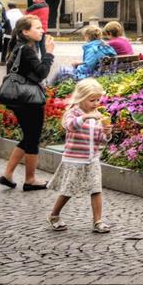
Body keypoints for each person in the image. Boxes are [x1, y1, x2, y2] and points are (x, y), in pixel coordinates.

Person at [46, 78, 112, 234]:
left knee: (96, 188)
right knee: (69, 189)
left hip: (92, 158)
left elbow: (99, 139)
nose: (96, 103)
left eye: (98, 100)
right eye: (92, 100)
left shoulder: (96, 115)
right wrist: (85, 117)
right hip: (74, 159)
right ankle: (54, 215)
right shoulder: (73, 113)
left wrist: (107, 134)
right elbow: (70, 126)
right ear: (81, 98)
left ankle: (98, 221)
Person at [0, 15, 55, 192]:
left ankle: (7, 175)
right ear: (25, 31)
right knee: (33, 138)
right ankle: (30, 180)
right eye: (37, 28)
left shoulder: (18, 46)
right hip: (29, 100)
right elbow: (42, 72)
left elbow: (32, 73)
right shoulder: (27, 50)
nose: (42, 30)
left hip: (18, 99)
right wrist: (49, 53)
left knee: (28, 136)